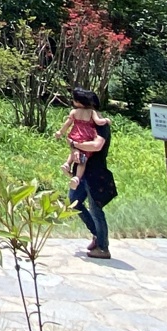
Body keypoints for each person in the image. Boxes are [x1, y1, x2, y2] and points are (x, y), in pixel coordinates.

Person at [62, 88, 118, 259]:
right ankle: (96, 233)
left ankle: (103, 247)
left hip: (95, 172)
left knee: (95, 210)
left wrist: (76, 144)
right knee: (74, 202)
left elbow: (96, 146)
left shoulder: (101, 125)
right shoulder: (80, 120)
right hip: (81, 170)